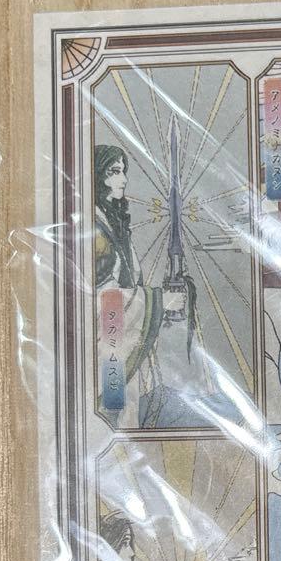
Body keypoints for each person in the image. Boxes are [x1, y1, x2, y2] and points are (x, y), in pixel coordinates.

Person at [94, 144, 190, 428]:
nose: (123, 180)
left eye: (123, 171)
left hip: (120, 340)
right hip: (106, 341)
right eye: (114, 172)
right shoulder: (94, 230)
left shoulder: (112, 223)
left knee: (127, 411)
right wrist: (160, 301)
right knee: (112, 412)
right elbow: (102, 299)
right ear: (97, 176)